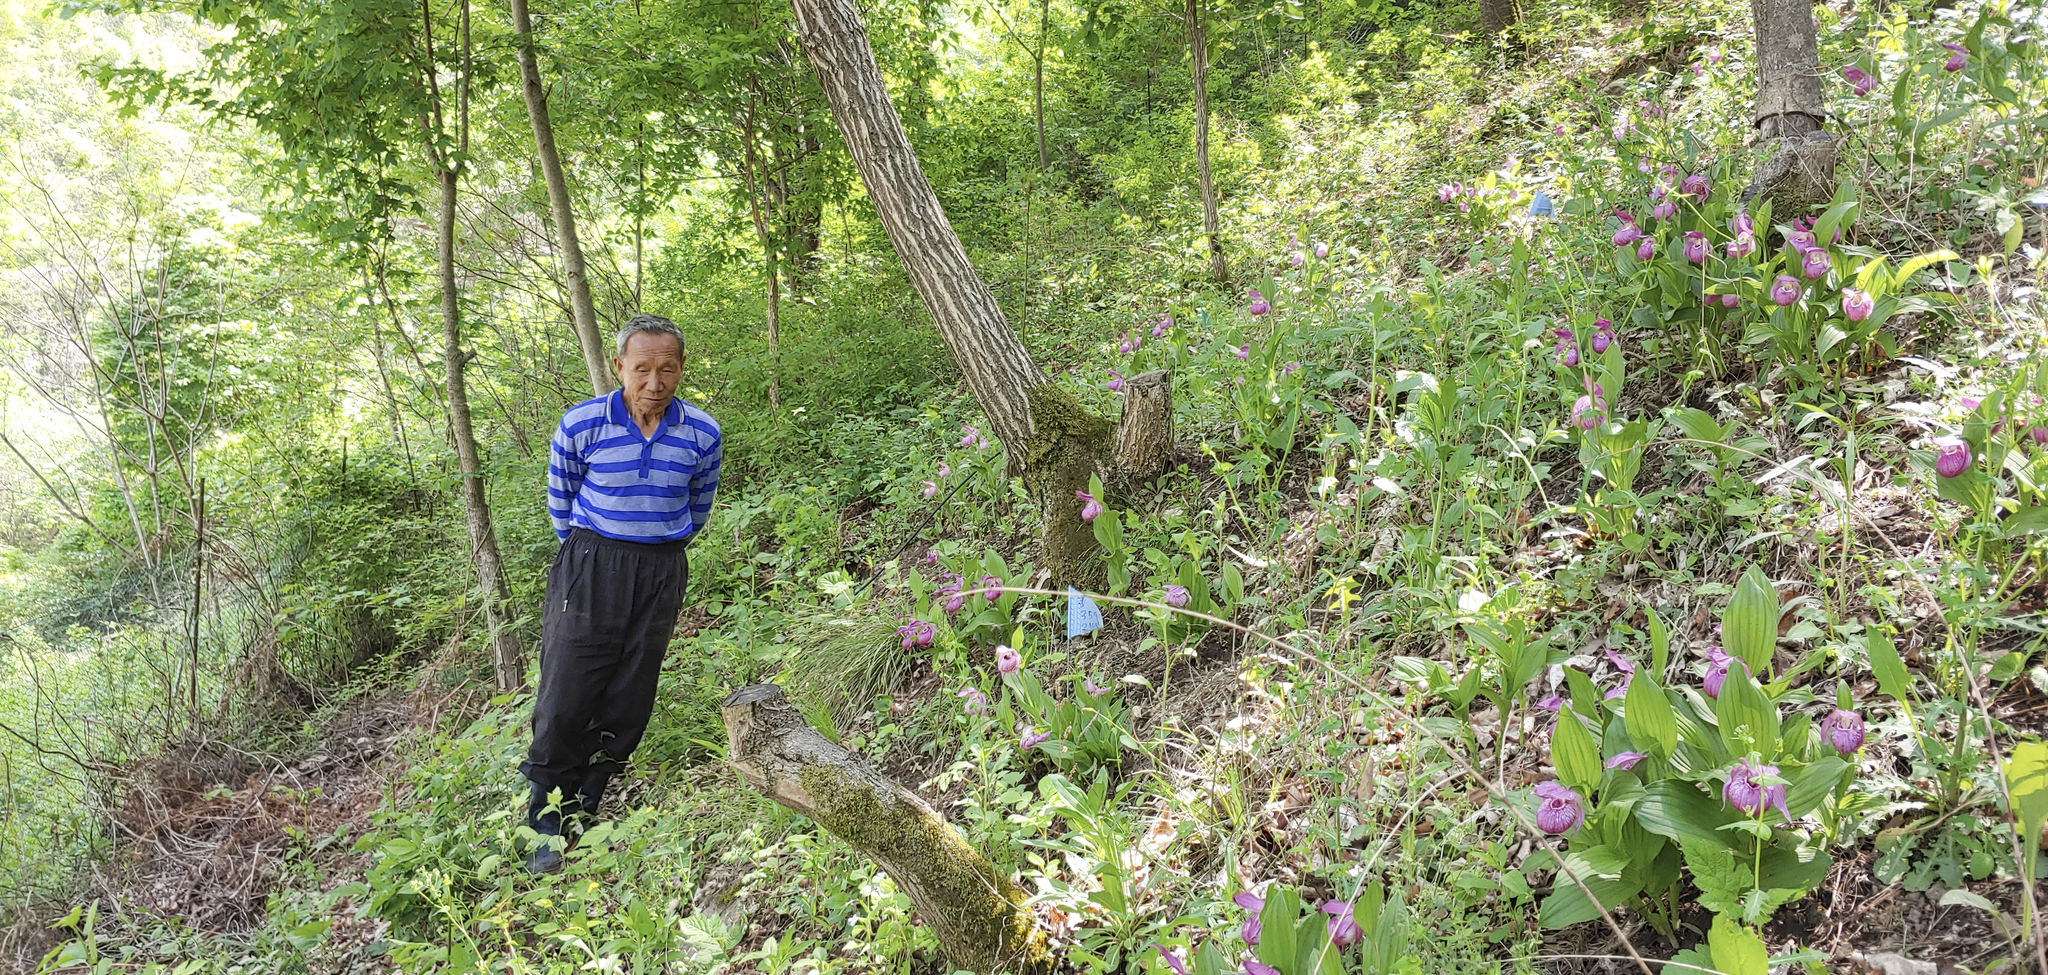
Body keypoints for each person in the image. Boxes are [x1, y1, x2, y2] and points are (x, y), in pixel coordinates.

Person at [519, 313, 721, 874]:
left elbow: (697, 505)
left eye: (667, 369)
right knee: (567, 686)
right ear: (620, 368)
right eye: (642, 369)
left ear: (681, 369)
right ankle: (545, 820)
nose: (655, 382)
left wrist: (656, 549)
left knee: (631, 688)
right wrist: (591, 556)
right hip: (590, 561)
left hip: (660, 569)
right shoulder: (582, 423)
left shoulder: (701, 433)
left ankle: (586, 802)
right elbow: (561, 499)